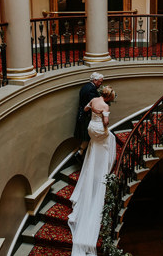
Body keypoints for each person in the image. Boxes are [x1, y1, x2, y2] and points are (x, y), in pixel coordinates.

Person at [68, 86, 117, 256]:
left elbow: (86, 108)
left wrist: (93, 114)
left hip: (90, 129)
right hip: (99, 130)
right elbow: (106, 123)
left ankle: (92, 160)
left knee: (96, 143)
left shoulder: (94, 100)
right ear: (109, 97)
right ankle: (102, 164)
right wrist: (105, 119)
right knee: (109, 137)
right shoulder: (106, 106)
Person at [74, 72, 104, 163]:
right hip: (86, 116)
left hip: (82, 114)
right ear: (95, 80)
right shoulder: (92, 90)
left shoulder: (85, 87)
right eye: (100, 82)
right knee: (88, 135)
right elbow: (93, 104)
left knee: (86, 135)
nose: (100, 84)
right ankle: (80, 152)